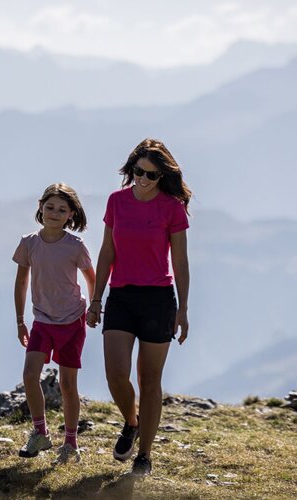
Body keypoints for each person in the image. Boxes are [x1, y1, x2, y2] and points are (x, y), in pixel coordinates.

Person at [86, 138, 192, 477]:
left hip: (159, 300)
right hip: (121, 296)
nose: (143, 180)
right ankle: (131, 422)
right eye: (138, 172)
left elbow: (181, 261)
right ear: (131, 169)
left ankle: (144, 455)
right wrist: (96, 298)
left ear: (163, 176)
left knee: (150, 381)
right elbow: (106, 253)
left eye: (151, 175)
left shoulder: (172, 208)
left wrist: (183, 309)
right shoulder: (117, 202)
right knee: (116, 374)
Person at [13, 184, 96, 465]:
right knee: (29, 374)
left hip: (73, 320)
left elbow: (91, 278)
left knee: (67, 384)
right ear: (40, 207)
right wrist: (20, 321)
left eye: (61, 210)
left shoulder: (75, 246)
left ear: (71, 214)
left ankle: (71, 443)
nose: (54, 213)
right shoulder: (29, 243)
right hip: (41, 320)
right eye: (49, 207)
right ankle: (40, 433)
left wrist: (94, 307)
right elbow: (21, 282)